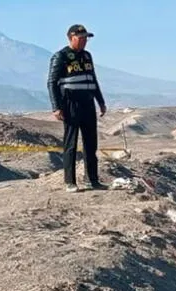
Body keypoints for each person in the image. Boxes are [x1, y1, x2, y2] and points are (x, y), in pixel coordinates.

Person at [47, 24, 108, 193]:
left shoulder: (87, 56)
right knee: (71, 144)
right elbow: (51, 83)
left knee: (90, 144)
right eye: (80, 38)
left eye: (85, 39)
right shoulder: (61, 56)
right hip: (70, 104)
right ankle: (70, 182)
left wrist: (100, 102)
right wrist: (56, 107)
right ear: (71, 38)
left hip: (87, 104)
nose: (84, 42)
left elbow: (93, 79)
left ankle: (92, 180)